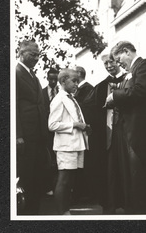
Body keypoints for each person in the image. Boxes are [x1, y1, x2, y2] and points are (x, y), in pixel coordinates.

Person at [105, 41, 146, 214]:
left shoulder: (144, 65)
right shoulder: (131, 72)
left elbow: (140, 91)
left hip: (141, 133)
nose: (118, 63)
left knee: (141, 178)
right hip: (131, 132)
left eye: (119, 59)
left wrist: (114, 96)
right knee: (133, 178)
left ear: (126, 51)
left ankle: (144, 216)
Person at [81, 50, 126, 213]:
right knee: (109, 170)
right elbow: (87, 107)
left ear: (118, 61)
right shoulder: (101, 87)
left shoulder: (130, 80)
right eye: (105, 63)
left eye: (111, 62)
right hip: (108, 134)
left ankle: (129, 203)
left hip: (127, 134)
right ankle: (110, 204)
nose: (109, 65)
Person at [48, 68, 91, 215]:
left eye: (77, 81)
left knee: (70, 180)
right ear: (62, 81)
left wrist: (84, 127)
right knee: (64, 179)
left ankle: (66, 210)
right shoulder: (58, 99)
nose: (76, 84)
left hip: (76, 144)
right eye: (73, 81)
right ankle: (62, 213)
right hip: (66, 146)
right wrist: (75, 125)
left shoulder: (71, 98)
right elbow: (52, 125)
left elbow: (75, 118)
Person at [16, 40, 50, 215]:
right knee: (26, 177)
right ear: (21, 53)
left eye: (38, 55)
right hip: (25, 137)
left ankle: (34, 214)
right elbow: (11, 107)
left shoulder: (34, 76)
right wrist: (17, 135)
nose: (36, 58)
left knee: (37, 176)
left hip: (38, 136)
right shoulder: (15, 73)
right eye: (32, 54)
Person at [72, 66, 93, 203]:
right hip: (80, 131)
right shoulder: (80, 90)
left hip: (85, 132)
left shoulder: (87, 89)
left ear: (79, 74)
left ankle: (84, 193)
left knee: (85, 164)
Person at [42, 67, 59, 195]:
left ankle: (58, 187)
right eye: (51, 78)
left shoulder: (61, 92)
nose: (53, 81)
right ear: (47, 78)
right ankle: (47, 186)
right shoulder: (41, 93)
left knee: (58, 158)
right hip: (45, 131)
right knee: (47, 159)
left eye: (55, 79)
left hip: (58, 130)